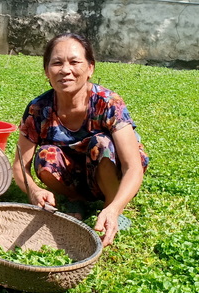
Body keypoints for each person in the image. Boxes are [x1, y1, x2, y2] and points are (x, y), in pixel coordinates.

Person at [13, 33, 149, 247]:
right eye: (57, 63)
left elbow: (133, 167)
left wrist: (115, 208)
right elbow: (20, 165)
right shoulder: (38, 109)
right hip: (74, 174)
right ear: (47, 71)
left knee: (101, 144)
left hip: (110, 170)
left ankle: (110, 206)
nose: (65, 70)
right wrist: (34, 190)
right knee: (45, 155)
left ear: (90, 68)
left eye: (74, 62)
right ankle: (76, 199)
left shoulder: (108, 103)